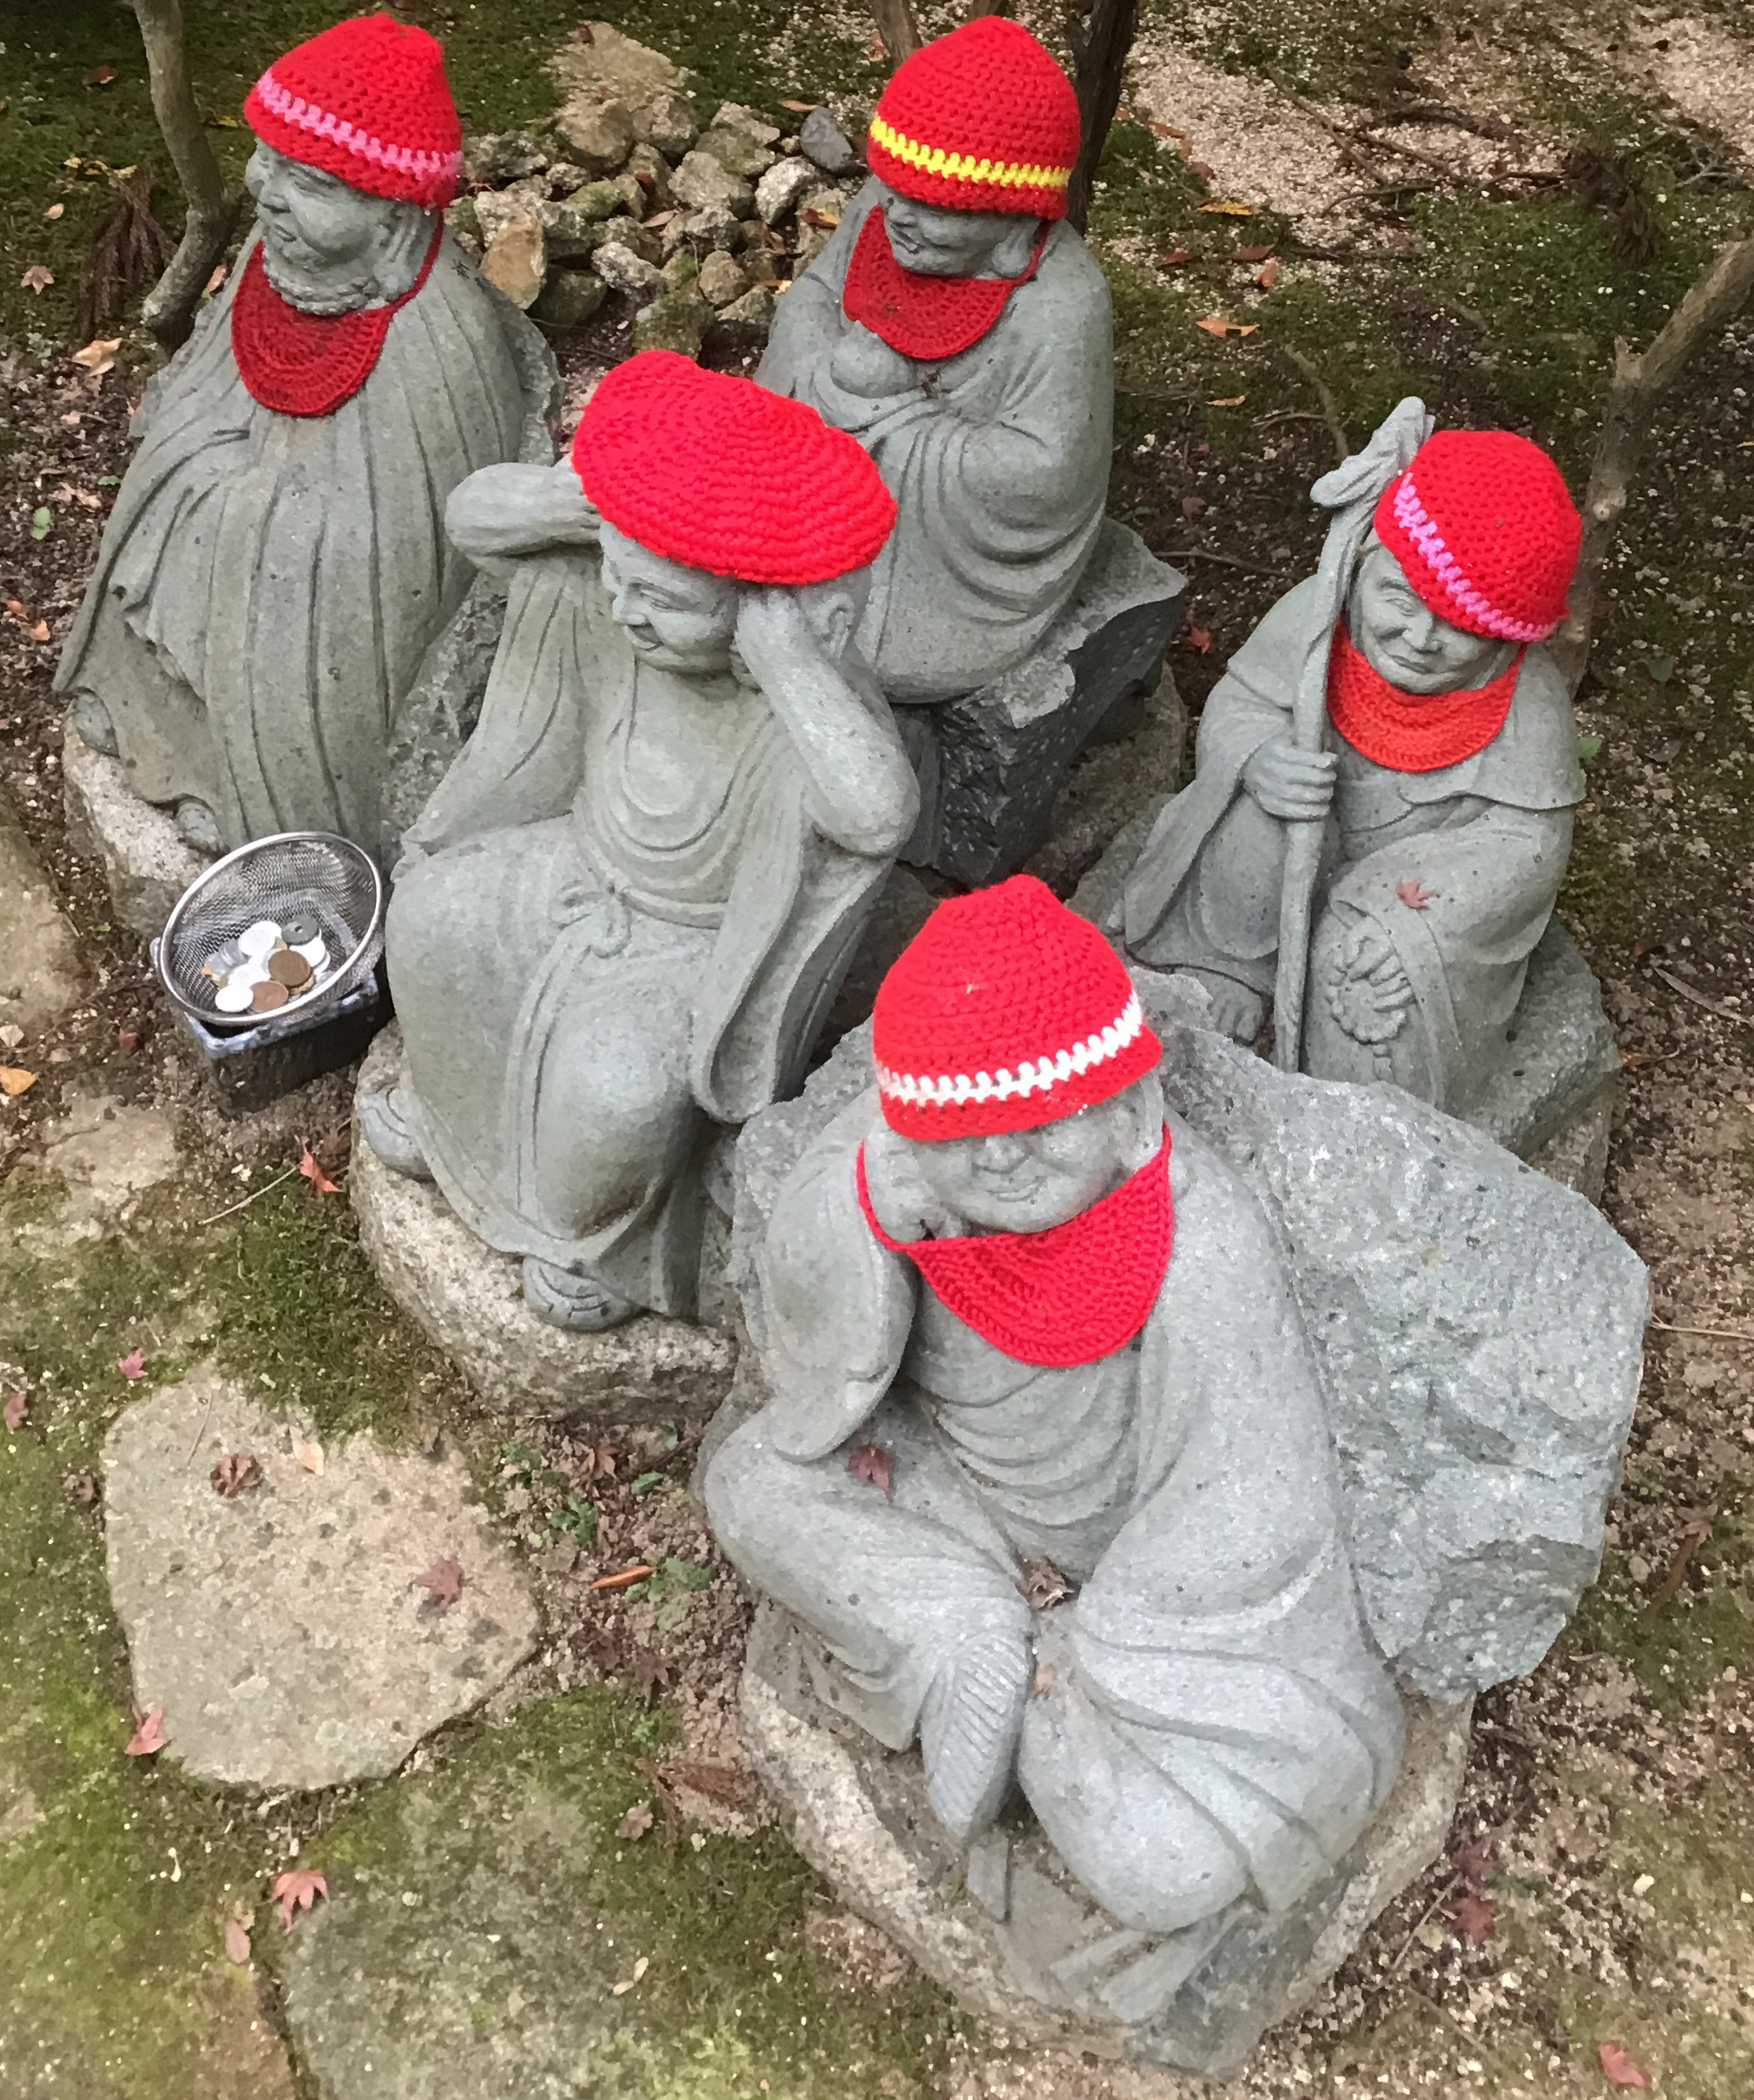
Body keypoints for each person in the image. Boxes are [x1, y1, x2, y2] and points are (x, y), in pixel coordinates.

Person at [705, 876, 1403, 1933]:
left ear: (1128, 1113)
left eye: (1039, 1124)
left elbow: (1255, 1508)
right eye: (963, 1131)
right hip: (951, 1504)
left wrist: (1101, 1646)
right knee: (751, 1482)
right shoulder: (896, 1172)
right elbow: (811, 1353)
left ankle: (1012, 1681)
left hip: (1149, 1614)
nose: (998, 1157)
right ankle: (956, 1632)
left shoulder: (1195, 1241)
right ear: (903, 1128)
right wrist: (857, 1228)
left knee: (1161, 1868)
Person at [359, 352, 918, 1331]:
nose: (627, 611)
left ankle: (588, 1239)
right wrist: (592, 513)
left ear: (760, 613)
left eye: (666, 601)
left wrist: (786, 665)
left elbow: (876, 815)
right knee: (435, 916)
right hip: (573, 866)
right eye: (621, 580)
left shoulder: (803, 708)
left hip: (694, 945)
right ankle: (448, 1126)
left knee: (615, 1088)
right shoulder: (606, 600)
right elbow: (473, 515)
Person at [57, 13, 554, 861]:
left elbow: (406, 563)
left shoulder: (440, 339)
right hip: (219, 518)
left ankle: (276, 813)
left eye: (311, 182)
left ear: (394, 214)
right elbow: (203, 387)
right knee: (173, 463)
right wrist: (191, 448)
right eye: (267, 160)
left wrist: (251, 505)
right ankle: (162, 726)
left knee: (274, 569)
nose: (268, 194)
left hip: (307, 595)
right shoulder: (273, 253)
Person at [1119, 429, 1585, 1106]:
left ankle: (1353, 1096)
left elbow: (1528, 847)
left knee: (1370, 969)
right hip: (1292, 838)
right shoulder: (1316, 617)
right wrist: (1258, 758)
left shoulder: (1526, 706)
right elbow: (1241, 702)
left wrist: (1424, 908)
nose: (1419, 639)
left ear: (1503, 643)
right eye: (1398, 598)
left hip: (1407, 876)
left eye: (1460, 630)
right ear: (1367, 558)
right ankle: (1228, 967)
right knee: (1262, 819)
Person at [755, 17, 1112, 705]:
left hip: (928, 560)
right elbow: (813, 301)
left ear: (1016, 220)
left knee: (859, 648)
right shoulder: (883, 210)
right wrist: (827, 368)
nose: (899, 218)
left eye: (936, 208)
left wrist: (896, 418)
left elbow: (1046, 473)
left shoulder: (1060, 304)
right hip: (815, 486)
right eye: (892, 190)